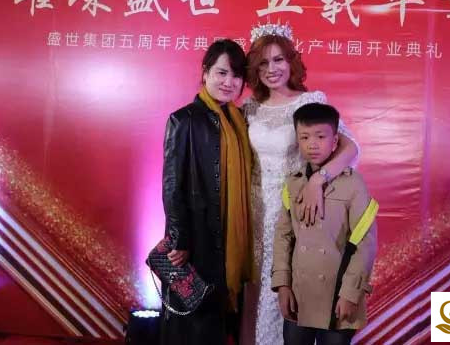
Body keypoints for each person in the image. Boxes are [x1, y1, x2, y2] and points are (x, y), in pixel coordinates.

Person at [241, 24, 361, 345]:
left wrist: (318, 180)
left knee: (289, 292)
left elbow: (350, 147)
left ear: (291, 62)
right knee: (254, 294)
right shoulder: (249, 108)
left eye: (278, 60)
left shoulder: (308, 102)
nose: (272, 69)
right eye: (263, 63)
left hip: (295, 209)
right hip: (252, 213)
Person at [160, 39, 253, 345]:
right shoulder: (183, 119)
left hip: (229, 235)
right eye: (221, 73)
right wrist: (179, 240)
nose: (229, 82)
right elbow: (172, 185)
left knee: (219, 321)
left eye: (236, 76)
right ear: (205, 72)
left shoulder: (239, 121)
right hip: (198, 237)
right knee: (194, 324)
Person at [272, 102, 377, 345]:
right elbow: (283, 238)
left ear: (335, 140)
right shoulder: (293, 184)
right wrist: (282, 284)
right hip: (299, 296)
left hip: (338, 296)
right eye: (305, 137)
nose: (312, 144)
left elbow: (365, 244)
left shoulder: (354, 184)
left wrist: (350, 293)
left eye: (320, 136)